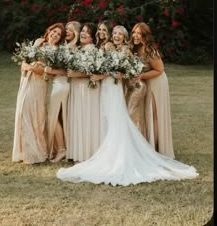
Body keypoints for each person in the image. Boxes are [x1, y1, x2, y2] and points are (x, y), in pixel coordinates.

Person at [56, 23, 198, 186]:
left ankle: (129, 155)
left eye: (119, 34)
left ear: (124, 37)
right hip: (114, 88)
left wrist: (109, 76)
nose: (116, 36)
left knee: (123, 119)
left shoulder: (126, 50)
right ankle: (113, 152)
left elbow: (125, 72)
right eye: (114, 33)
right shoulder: (115, 48)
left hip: (126, 87)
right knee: (114, 119)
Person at [12, 23, 63, 164]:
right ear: (49, 31)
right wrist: (29, 66)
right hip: (26, 82)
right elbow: (23, 64)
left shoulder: (56, 51)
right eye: (54, 31)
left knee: (35, 115)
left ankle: (36, 152)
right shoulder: (38, 42)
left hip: (39, 85)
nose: (55, 35)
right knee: (22, 113)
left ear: (60, 39)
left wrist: (32, 68)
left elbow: (43, 72)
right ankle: (24, 151)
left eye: (58, 34)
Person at [127, 22, 174, 158]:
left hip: (156, 82)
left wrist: (141, 75)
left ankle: (157, 149)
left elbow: (159, 70)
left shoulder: (150, 51)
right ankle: (148, 146)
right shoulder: (133, 48)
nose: (135, 36)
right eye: (134, 32)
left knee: (154, 114)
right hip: (145, 81)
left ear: (145, 36)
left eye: (139, 34)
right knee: (146, 114)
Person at [44, 21, 81, 163]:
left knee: (55, 117)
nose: (67, 31)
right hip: (58, 85)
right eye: (66, 29)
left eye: (70, 30)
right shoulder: (65, 46)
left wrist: (51, 70)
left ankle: (61, 150)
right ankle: (60, 148)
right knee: (58, 117)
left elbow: (67, 72)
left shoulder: (71, 48)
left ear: (76, 33)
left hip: (61, 85)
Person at [66, 22, 101, 162]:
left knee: (86, 118)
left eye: (87, 32)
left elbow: (93, 71)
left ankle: (88, 152)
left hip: (86, 89)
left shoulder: (92, 50)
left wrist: (76, 75)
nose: (83, 33)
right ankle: (78, 152)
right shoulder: (80, 49)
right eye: (83, 31)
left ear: (92, 38)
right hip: (77, 87)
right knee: (78, 117)